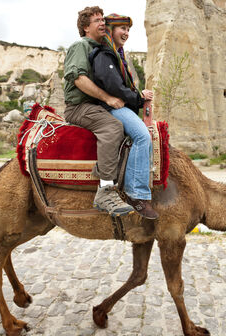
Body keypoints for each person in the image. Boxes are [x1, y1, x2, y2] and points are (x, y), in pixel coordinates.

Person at [63, 6, 133, 216]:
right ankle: (105, 190)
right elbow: (79, 79)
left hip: (94, 106)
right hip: (79, 107)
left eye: (103, 20)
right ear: (85, 27)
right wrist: (108, 98)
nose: (103, 23)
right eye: (96, 21)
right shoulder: (80, 46)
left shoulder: (102, 48)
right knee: (113, 128)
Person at [88, 13, 158, 219]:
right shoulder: (105, 55)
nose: (126, 33)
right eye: (122, 28)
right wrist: (137, 98)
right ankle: (137, 194)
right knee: (142, 136)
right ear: (111, 30)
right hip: (111, 107)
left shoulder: (116, 55)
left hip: (118, 104)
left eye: (128, 29)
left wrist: (138, 96)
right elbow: (113, 87)